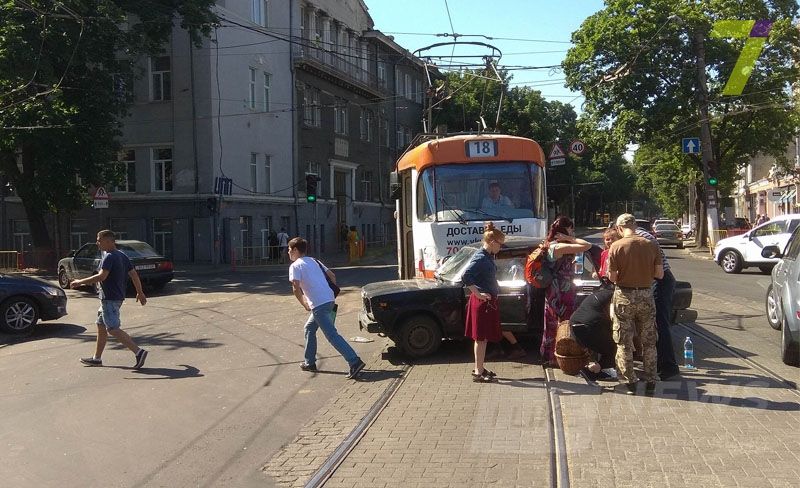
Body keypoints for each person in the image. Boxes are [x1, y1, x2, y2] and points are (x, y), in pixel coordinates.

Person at [288, 237, 366, 379]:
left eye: (289, 250)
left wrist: (304, 303)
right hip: (329, 300)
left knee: (332, 335)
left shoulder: (295, 266)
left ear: (295, 250)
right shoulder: (314, 261)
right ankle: (309, 362)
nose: (288, 252)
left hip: (318, 304)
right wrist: (327, 294)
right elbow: (332, 275)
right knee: (309, 328)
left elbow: (295, 287)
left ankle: (354, 361)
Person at [72, 230, 148, 369]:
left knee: (112, 328)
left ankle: (138, 352)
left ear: (108, 241)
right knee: (101, 326)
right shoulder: (122, 255)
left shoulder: (109, 257)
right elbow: (134, 274)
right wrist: (140, 292)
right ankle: (97, 358)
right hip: (114, 298)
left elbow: (102, 276)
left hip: (110, 299)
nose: (97, 243)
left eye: (99, 240)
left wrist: (79, 282)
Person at [607, 214, 663, 395]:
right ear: (636, 225)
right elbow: (660, 274)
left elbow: (612, 277)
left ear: (619, 228)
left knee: (624, 341)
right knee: (649, 341)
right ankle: (651, 380)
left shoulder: (616, 246)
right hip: (646, 295)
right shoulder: (651, 244)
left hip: (624, 296)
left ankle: (629, 382)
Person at [540, 216, 592, 366]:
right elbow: (587, 245)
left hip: (555, 289)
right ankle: (556, 356)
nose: (572, 232)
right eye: (570, 229)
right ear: (563, 230)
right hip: (561, 289)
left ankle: (549, 355)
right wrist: (569, 238)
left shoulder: (551, 244)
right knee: (562, 321)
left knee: (551, 321)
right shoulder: (558, 246)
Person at [633, 216, 680, 380]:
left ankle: (668, 367)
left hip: (661, 281)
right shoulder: (641, 235)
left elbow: (652, 267)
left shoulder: (640, 238)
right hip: (660, 280)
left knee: (660, 323)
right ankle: (660, 364)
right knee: (656, 324)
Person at [462, 222, 506, 382]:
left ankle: (479, 368)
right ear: (493, 242)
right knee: (480, 339)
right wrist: (478, 294)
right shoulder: (481, 257)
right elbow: (466, 276)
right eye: (500, 244)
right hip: (482, 303)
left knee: (482, 338)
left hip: (486, 302)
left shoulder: (486, 256)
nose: (501, 247)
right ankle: (478, 373)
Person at [570, 283, 617, 381]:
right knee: (615, 347)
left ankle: (596, 370)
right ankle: (591, 370)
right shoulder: (613, 296)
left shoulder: (595, 295)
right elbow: (613, 317)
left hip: (574, 326)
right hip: (591, 327)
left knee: (602, 345)